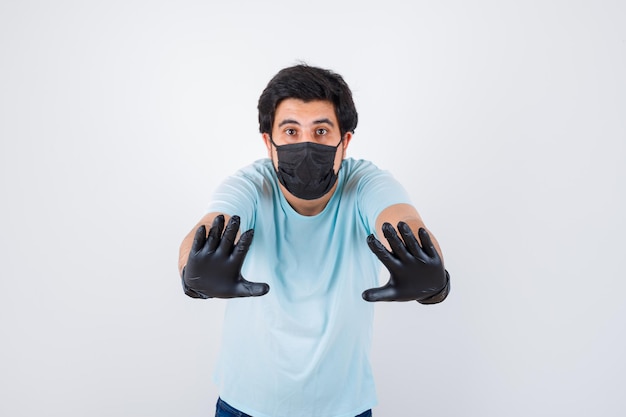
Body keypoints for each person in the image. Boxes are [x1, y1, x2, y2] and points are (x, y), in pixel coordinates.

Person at [178, 64, 450, 417]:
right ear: (268, 142)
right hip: (245, 405)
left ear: (344, 141)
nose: (306, 144)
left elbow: (404, 220)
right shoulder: (249, 185)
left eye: (321, 130)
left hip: (344, 408)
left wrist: (432, 274)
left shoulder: (366, 183)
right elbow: (207, 226)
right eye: (290, 130)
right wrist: (193, 271)